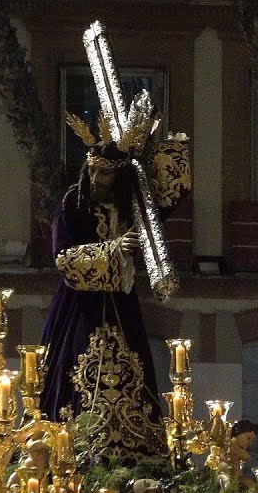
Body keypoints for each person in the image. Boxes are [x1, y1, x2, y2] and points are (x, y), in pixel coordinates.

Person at [38, 133, 164, 456]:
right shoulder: (72, 204)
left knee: (134, 385)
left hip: (123, 308)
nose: (95, 178)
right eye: (92, 169)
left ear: (118, 175)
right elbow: (64, 259)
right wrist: (112, 250)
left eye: (104, 172)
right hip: (79, 309)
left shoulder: (130, 206)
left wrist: (173, 154)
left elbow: (165, 203)